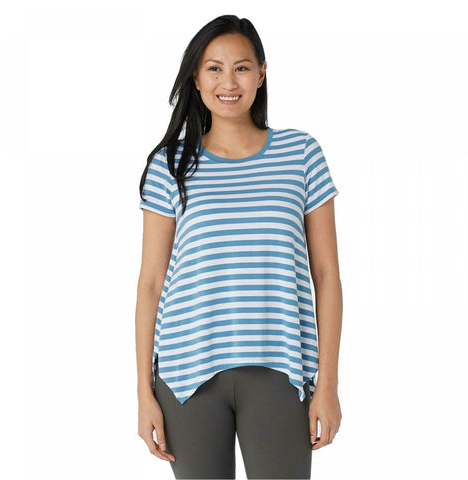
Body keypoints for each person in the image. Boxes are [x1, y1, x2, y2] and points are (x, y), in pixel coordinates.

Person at [135, 14, 343, 480]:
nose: (228, 82)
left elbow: (327, 276)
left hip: (282, 369)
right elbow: (150, 283)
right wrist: (143, 393)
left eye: (242, 68)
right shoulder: (170, 165)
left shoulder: (301, 154)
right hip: (186, 374)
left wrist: (328, 384)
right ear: (196, 77)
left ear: (261, 74)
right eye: (214, 68)